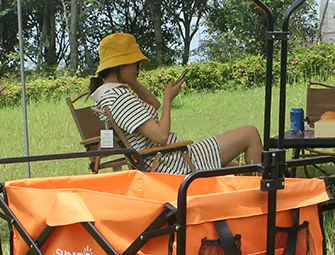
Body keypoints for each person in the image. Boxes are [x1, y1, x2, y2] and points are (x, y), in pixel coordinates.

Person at [88, 32, 262, 174]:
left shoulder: (110, 94)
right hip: (173, 162)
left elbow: (153, 105)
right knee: (250, 133)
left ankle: (247, 199)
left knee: (238, 169)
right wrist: (168, 99)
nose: (138, 69)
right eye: (136, 64)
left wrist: (131, 80)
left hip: (169, 157)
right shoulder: (120, 98)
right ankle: (263, 199)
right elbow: (161, 137)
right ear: (121, 64)